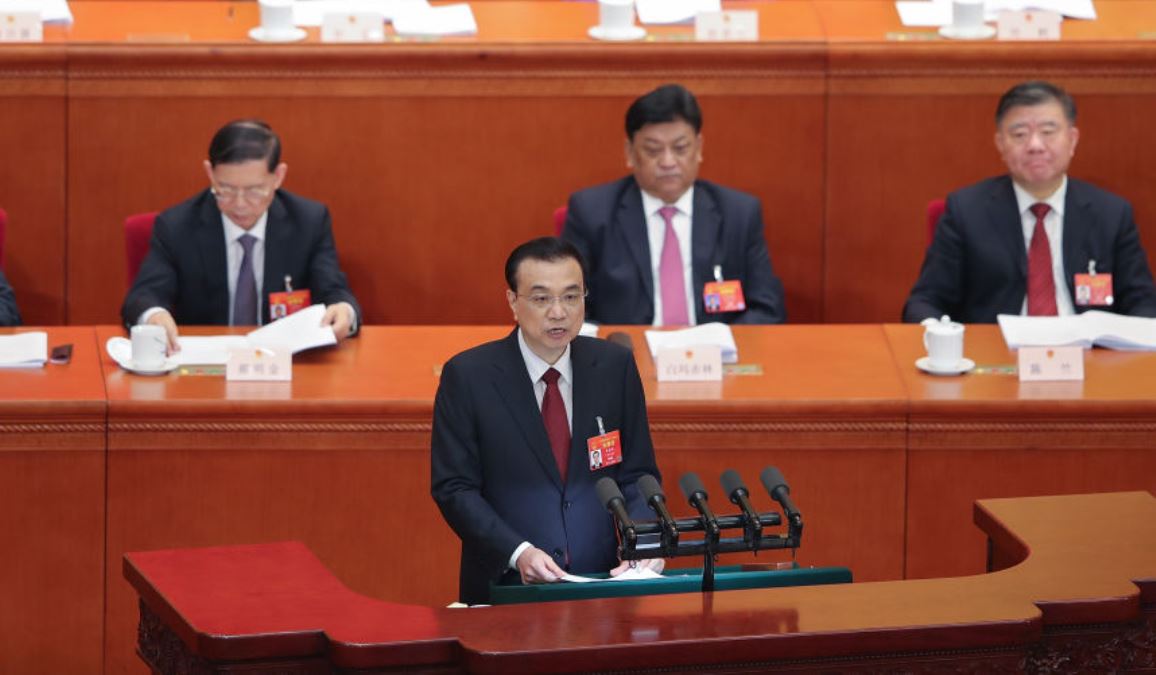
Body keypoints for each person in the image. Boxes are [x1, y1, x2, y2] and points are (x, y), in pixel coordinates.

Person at [431, 237, 663, 605]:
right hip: (506, 586)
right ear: (513, 301)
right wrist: (517, 552)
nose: (559, 312)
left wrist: (646, 541)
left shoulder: (614, 367)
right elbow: (454, 488)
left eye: (571, 297)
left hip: (601, 584)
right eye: (541, 299)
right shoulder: (469, 376)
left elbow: (637, 474)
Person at [904, 81, 1156, 323]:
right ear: (1000, 144)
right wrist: (938, 333)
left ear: (1072, 140)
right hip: (996, 348)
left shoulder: (1111, 214)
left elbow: (1143, 302)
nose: (1035, 145)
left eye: (1048, 132)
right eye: (1020, 134)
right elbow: (925, 301)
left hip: (1089, 349)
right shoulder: (966, 211)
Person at [121, 119, 360, 352]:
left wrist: (343, 311)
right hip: (204, 362)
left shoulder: (309, 222)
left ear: (278, 176)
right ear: (210, 173)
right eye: (225, 189)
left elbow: (333, 289)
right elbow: (144, 296)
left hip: (284, 362)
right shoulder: (176, 226)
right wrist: (154, 316)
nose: (240, 204)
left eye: (254, 191)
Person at [562, 83, 786, 326]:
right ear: (630, 153)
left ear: (698, 148)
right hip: (626, 348)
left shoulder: (739, 214)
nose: (668, 162)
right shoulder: (591, 213)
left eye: (680, 148)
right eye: (653, 150)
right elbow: (568, 308)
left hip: (712, 348)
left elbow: (767, 309)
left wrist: (721, 342)